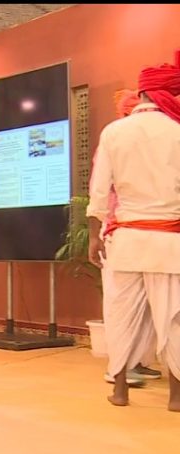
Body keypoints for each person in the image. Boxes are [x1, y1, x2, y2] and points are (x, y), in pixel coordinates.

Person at [87, 52, 180, 411]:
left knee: (121, 315)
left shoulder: (114, 131)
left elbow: (99, 190)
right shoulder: (177, 130)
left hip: (125, 241)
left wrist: (94, 235)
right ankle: (176, 396)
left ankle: (121, 390)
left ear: (142, 93)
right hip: (170, 242)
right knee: (174, 318)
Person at [98, 91, 162, 388]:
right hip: (118, 230)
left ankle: (139, 361)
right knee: (122, 304)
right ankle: (119, 368)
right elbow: (102, 189)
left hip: (148, 230)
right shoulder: (115, 139)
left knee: (149, 305)